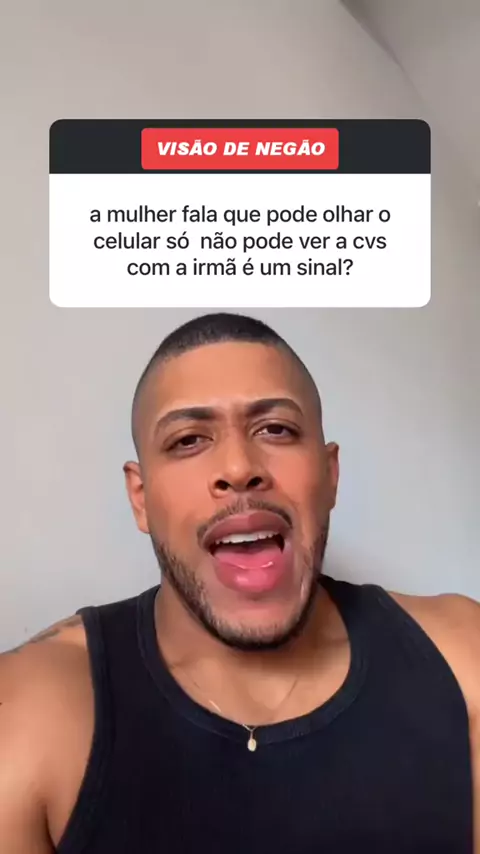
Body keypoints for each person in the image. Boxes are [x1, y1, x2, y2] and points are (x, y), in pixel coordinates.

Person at [0, 312, 479, 854]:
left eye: (276, 429)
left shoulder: (464, 659)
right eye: (188, 440)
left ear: (330, 475)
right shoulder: (28, 714)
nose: (238, 466)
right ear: (141, 498)